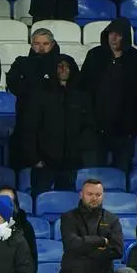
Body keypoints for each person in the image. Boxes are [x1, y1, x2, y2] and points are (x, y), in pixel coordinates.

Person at [80, 18, 137, 173]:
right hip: (95, 130)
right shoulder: (94, 56)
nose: (113, 38)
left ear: (125, 36)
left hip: (125, 132)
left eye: (118, 35)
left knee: (122, 173)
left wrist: (136, 128)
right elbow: (82, 89)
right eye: (110, 33)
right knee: (95, 176)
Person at [24, 55, 96, 192]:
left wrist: (78, 151)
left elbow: (88, 126)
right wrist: (34, 158)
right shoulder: (40, 95)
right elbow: (30, 128)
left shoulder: (82, 96)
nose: (63, 69)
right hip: (43, 162)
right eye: (59, 66)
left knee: (66, 202)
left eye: (67, 66)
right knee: (40, 197)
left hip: (70, 162)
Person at [7, 28, 67, 174]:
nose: (41, 48)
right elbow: (13, 83)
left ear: (52, 44)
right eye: (37, 44)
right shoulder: (21, 62)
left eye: (45, 43)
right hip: (26, 126)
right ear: (31, 44)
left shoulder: (64, 63)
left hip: (56, 132)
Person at [59, 179, 123, 273]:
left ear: (103, 196)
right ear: (81, 194)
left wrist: (84, 249)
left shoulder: (112, 219)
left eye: (98, 195)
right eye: (90, 194)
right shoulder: (68, 217)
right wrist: (101, 241)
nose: (94, 198)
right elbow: (71, 244)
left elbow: (117, 250)